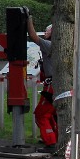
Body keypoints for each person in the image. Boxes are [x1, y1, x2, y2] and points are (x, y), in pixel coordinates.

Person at [27, 14, 56, 149]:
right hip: (58, 85)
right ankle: (55, 138)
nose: (45, 33)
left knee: (41, 114)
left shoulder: (49, 44)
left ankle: (50, 142)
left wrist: (29, 19)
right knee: (54, 114)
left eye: (47, 31)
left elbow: (33, 36)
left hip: (52, 86)